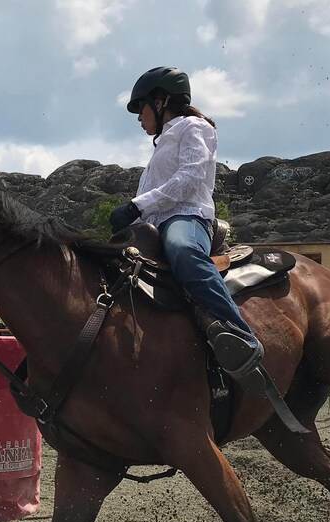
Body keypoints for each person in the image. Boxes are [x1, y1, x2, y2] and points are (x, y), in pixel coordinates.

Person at [109, 66, 264, 386]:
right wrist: (131, 217)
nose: (139, 116)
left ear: (161, 100)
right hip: (154, 223)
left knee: (182, 250)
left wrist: (137, 206)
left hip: (188, 217)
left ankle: (240, 335)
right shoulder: (161, 144)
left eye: (141, 107)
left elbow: (190, 178)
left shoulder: (195, 127)